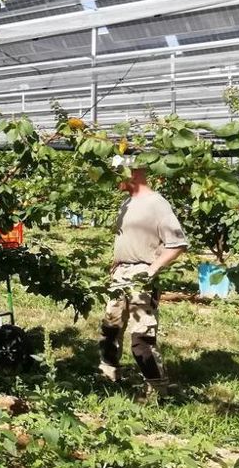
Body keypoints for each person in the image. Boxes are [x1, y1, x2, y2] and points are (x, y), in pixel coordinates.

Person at [98, 155, 187, 397]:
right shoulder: (127, 202)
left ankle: (158, 390)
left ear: (132, 172)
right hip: (121, 273)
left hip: (141, 275)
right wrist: (117, 261)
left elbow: (177, 243)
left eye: (118, 173)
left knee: (141, 336)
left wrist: (152, 269)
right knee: (110, 327)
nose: (114, 178)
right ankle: (108, 377)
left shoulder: (156, 204)